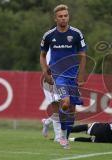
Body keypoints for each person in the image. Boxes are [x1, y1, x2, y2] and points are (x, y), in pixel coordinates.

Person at [40, 4, 87, 148]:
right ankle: (60, 135)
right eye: (60, 16)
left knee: (72, 109)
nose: (63, 18)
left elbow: (83, 55)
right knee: (64, 103)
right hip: (58, 75)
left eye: (65, 16)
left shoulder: (76, 34)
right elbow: (42, 55)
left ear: (68, 17)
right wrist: (45, 71)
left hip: (72, 76)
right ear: (55, 19)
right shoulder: (49, 35)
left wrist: (81, 75)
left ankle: (64, 138)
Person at [41, 48, 61, 143]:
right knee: (56, 107)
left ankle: (47, 122)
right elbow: (48, 66)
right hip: (52, 80)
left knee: (64, 108)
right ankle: (58, 137)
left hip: (62, 80)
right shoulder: (51, 48)